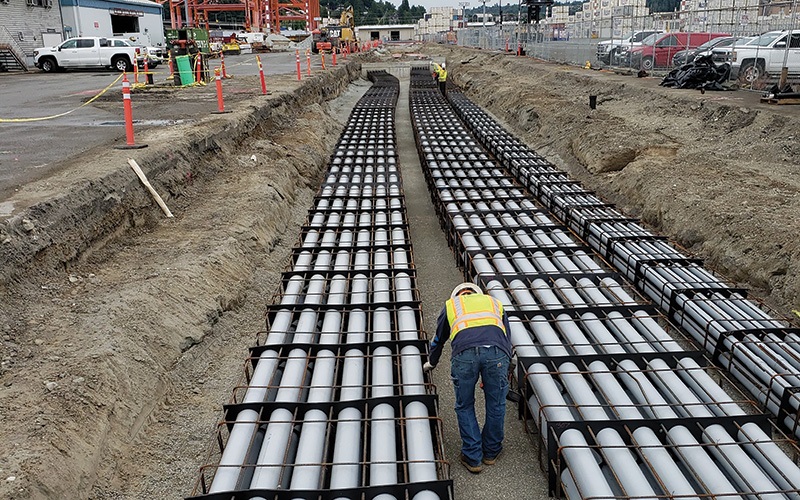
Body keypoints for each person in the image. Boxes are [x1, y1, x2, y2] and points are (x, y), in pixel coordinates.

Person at [423, 282, 513, 474]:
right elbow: (507, 337)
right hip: (497, 354)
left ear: (457, 295)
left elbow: (439, 339)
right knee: (496, 403)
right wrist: (502, 368)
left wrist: (432, 362)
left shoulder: (451, 306)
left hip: (464, 355)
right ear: (476, 293)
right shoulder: (494, 302)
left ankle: (473, 457)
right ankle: (491, 452)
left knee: (464, 404)